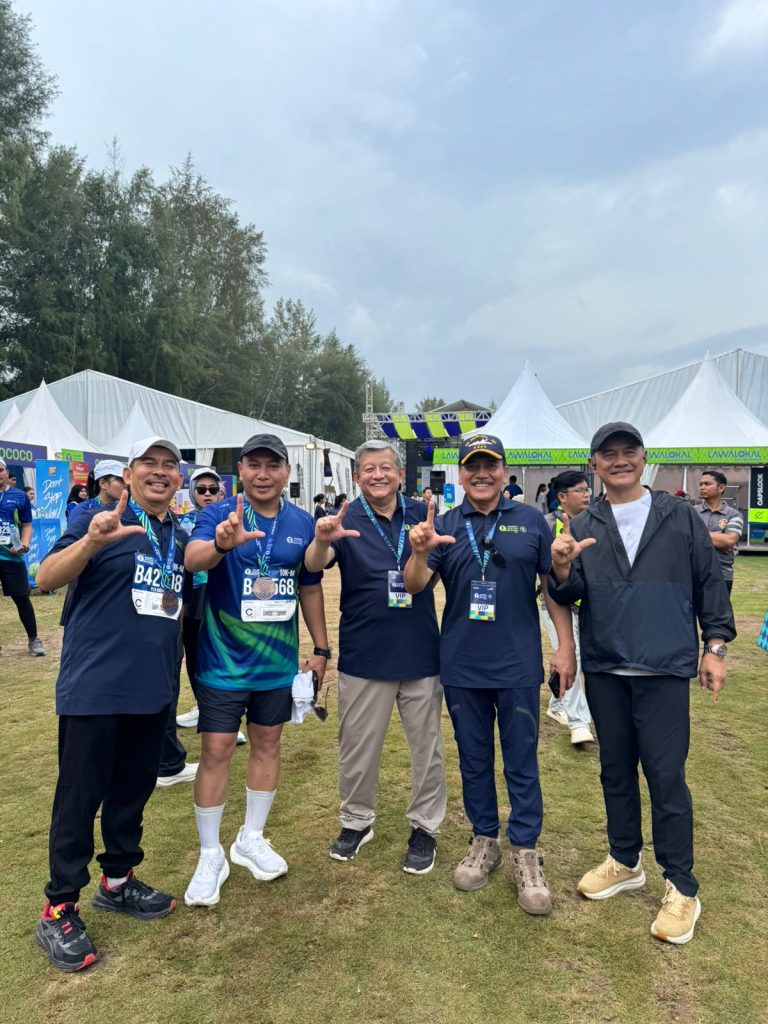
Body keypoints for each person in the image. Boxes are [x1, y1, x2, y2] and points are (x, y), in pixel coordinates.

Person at [548, 421, 736, 945]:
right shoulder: (586, 521)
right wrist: (560, 569)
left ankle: (682, 885)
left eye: (628, 451)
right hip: (607, 666)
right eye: (607, 453)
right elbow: (570, 592)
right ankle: (625, 859)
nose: (619, 460)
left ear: (644, 456)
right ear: (594, 464)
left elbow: (709, 581)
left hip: (664, 666)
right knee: (614, 770)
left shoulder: (679, 516)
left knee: (665, 776)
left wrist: (714, 647)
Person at [34, 437, 189, 972]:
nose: (160, 472)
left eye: (169, 465)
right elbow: (45, 577)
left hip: (152, 690)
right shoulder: (96, 518)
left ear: (179, 478)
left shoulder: (176, 532)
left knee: (131, 794)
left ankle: (118, 881)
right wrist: (91, 543)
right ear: (128, 474)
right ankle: (58, 908)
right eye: (149, 463)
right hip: (95, 689)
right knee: (79, 801)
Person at [404, 433, 576, 915]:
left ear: (504, 472)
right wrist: (419, 552)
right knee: (474, 758)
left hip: (517, 664)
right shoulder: (444, 524)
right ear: (460, 474)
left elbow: (553, 588)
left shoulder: (532, 521)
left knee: (521, 759)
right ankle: (485, 840)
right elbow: (415, 586)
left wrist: (564, 646)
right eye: (472, 466)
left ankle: (525, 849)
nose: (482, 474)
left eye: (491, 465)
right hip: (461, 664)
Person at [183, 434, 330, 907]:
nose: (263, 474)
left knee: (268, 745)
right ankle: (210, 853)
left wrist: (322, 648)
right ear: (240, 471)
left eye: (273, 465)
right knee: (217, 751)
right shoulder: (218, 513)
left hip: (277, 665)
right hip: (222, 662)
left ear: (287, 472)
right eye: (254, 465)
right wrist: (221, 544)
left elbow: (310, 585)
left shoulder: (301, 522)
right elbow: (192, 559)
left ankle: (251, 837)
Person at [303, 439, 446, 874]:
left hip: (420, 652)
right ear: (357, 476)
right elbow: (314, 564)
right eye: (369, 469)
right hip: (365, 653)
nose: (378, 475)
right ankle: (356, 821)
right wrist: (321, 540)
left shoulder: (423, 515)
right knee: (357, 747)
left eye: (386, 467)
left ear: (401, 474)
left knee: (427, 748)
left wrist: (421, 550)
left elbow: (425, 579)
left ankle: (425, 827)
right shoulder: (346, 517)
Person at [541, 471, 594, 745]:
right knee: (572, 655)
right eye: (580, 491)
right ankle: (579, 723)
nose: (586, 495)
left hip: (588, 604)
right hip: (555, 604)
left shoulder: (594, 522)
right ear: (562, 496)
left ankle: (556, 702)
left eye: (587, 490)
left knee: (575, 659)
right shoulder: (546, 524)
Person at [0, 457, 45, 655]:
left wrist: (24, 544)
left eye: (0, 470)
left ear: (6, 472)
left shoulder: (19, 496)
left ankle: (34, 640)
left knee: (21, 598)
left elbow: (27, 524)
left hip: (12, 556)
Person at [693, 469, 743, 596]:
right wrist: (718, 537)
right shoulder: (691, 512)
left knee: (718, 610)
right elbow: (682, 537)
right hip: (693, 574)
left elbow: (729, 541)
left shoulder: (734, 514)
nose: (702, 487)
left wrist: (696, 533)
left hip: (722, 575)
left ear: (721, 488)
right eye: (701, 484)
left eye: (707, 484)